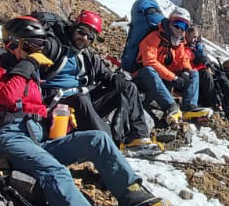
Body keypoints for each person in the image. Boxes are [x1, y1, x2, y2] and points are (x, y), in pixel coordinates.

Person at [0, 16, 167, 206]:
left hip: (36, 138)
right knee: (54, 170)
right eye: (28, 46)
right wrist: (27, 66)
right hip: (6, 136)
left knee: (98, 139)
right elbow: (5, 95)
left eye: (36, 47)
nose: (34, 52)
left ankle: (131, 195)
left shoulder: (32, 71)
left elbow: (37, 108)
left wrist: (60, 121)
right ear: (11, 44)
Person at [40, 10, 158, 157]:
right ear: (73, 27)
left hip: (82, 105)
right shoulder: (55, 47)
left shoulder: (86, 55)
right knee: (80, 97)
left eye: (90, 36)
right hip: (56, 106)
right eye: (81, 32)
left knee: (127, 87)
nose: (84, 38)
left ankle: (139, 138)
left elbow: (105, 75)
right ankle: (110, 150)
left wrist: (117, 79)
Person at [133, 8, 200, 122]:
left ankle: (189, 107)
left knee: (194, 73)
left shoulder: (179, 42)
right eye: (177, 24)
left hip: (162, 77)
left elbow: (183, 59)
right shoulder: (154, 37)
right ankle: (170, 107)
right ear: (170, 23)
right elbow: (149, 61)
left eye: (184, 26)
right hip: (143, 76)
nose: (180, 29)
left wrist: (186, 71)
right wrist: (173, 78)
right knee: (149, 70)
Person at [183, 25, 213, 108]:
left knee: (208, 75)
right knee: (205, 75)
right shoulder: (183, 45)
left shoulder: (194, 46)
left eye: (196, 37)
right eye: (194, 37)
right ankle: (199, 104)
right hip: (188, 70)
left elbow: (202, 57)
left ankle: (210, 103)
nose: (195, 39)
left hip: (195, 69)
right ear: (187, 35)